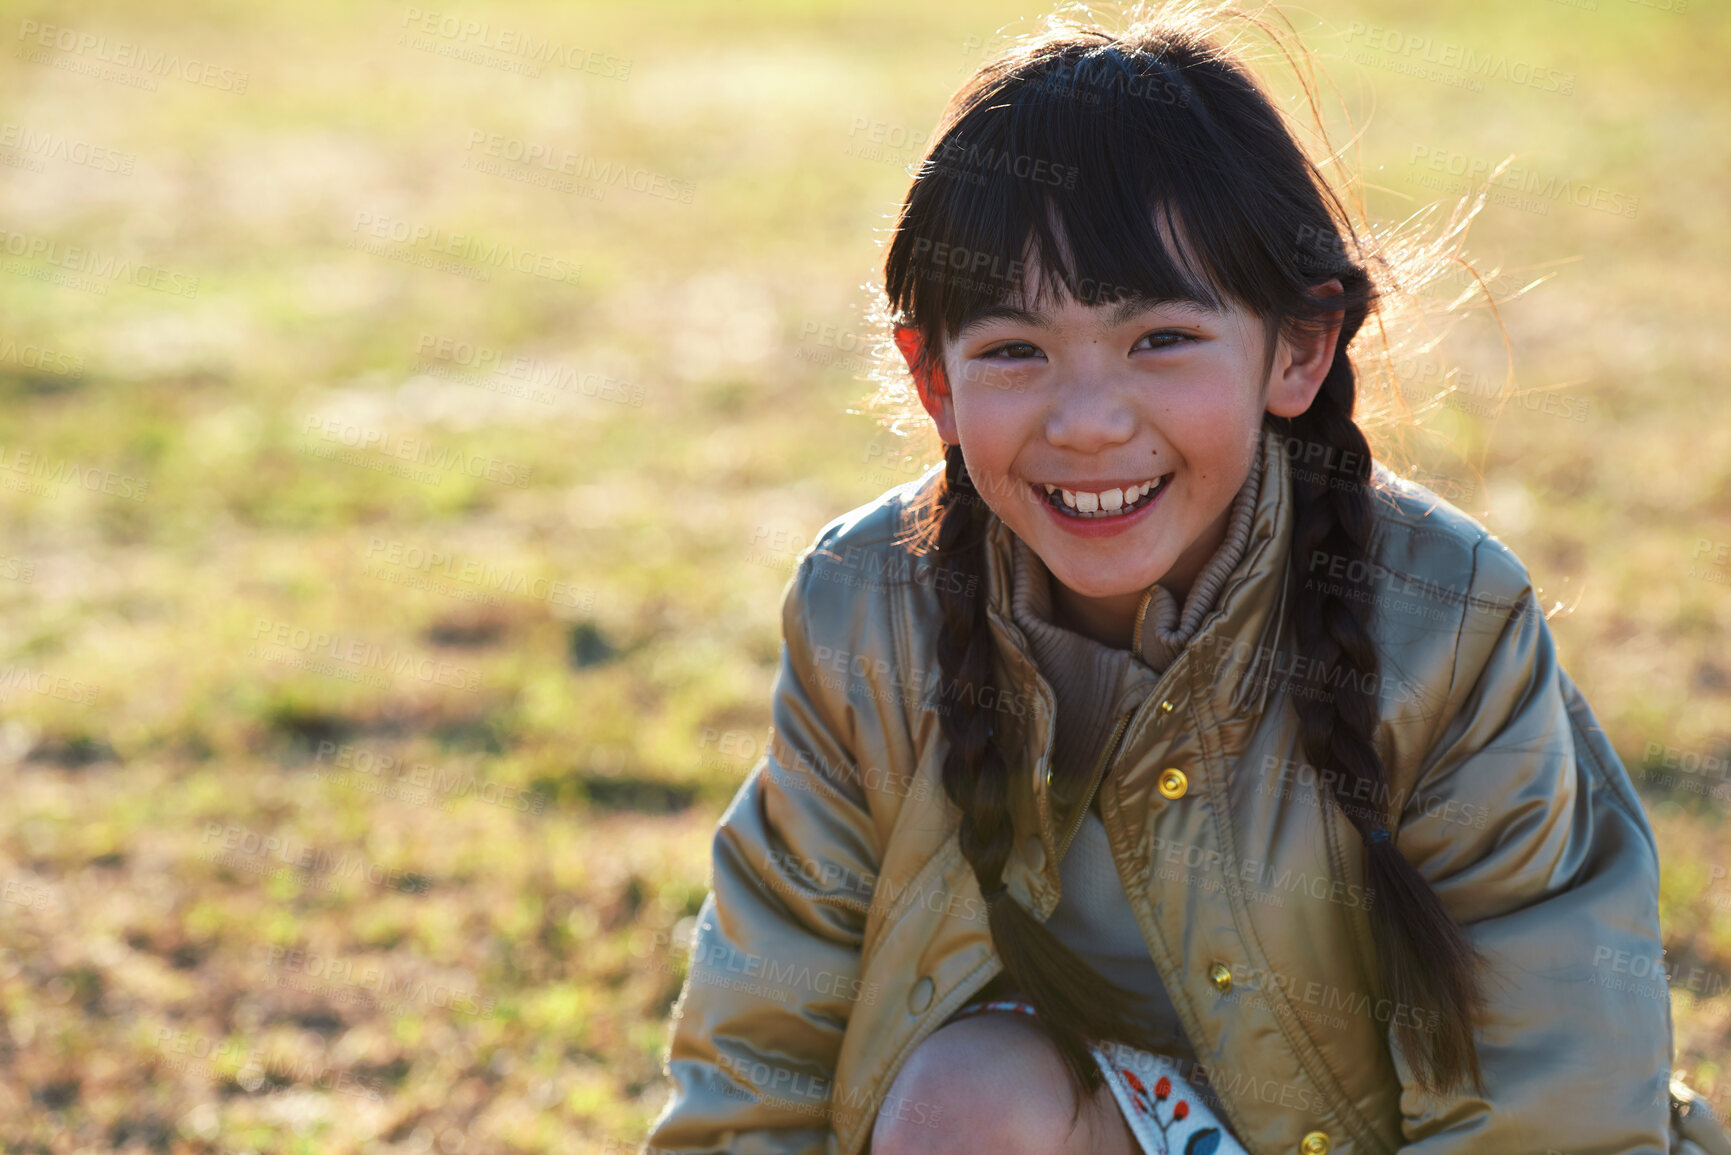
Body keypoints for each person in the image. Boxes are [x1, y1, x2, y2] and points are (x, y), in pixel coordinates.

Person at [646, 6, 1731, 1153]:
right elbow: (759, 1047)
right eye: (1015, 350)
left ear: (1300, 349)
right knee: (970, 1097)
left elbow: (1552, 1095)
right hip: (1079, 1126)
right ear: (935, 380)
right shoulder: (867, 610)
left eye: (1160, 338)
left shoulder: (1451, 625)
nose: (1091, 424)